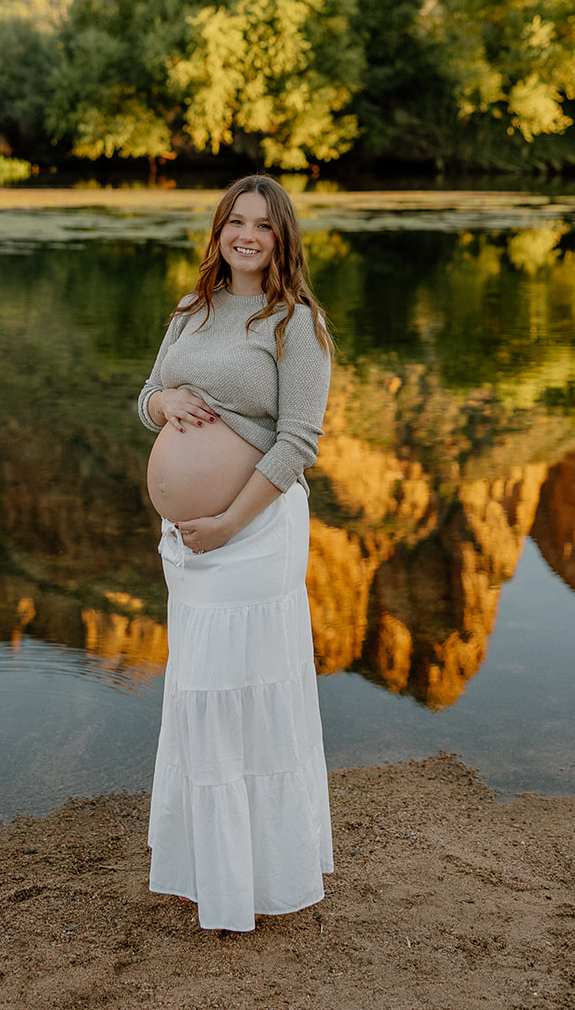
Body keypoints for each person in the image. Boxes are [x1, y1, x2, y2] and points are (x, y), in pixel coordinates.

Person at [137, 173, 334, 933]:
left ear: (281, 239)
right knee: (196, 694)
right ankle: (204, 868)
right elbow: (147, 393)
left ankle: (255, 877)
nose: (246, 236)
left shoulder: (298, 325)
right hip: (186, 548)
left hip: (251, 536)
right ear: (219, 232)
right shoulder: (193, 308)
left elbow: (296, 446)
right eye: (234, 223)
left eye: (262, 226)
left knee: (234, 693)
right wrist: (163, 404)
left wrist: (224, 523)